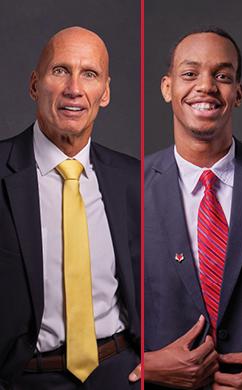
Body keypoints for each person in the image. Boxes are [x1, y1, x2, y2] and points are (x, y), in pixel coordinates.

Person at [142, 28, 242, 389]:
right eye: (190, 74)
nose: (206, 86)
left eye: (222, 75)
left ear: (238, 93)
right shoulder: (128, 188)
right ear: (166, 87)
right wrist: (147, 365)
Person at [0, 27, 140, 389]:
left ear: (105, 92)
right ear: (34, 84)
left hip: (119, 373)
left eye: (89, 74)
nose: (74, 88)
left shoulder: (134, 178)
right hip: (24, 378)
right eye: (60, 70)